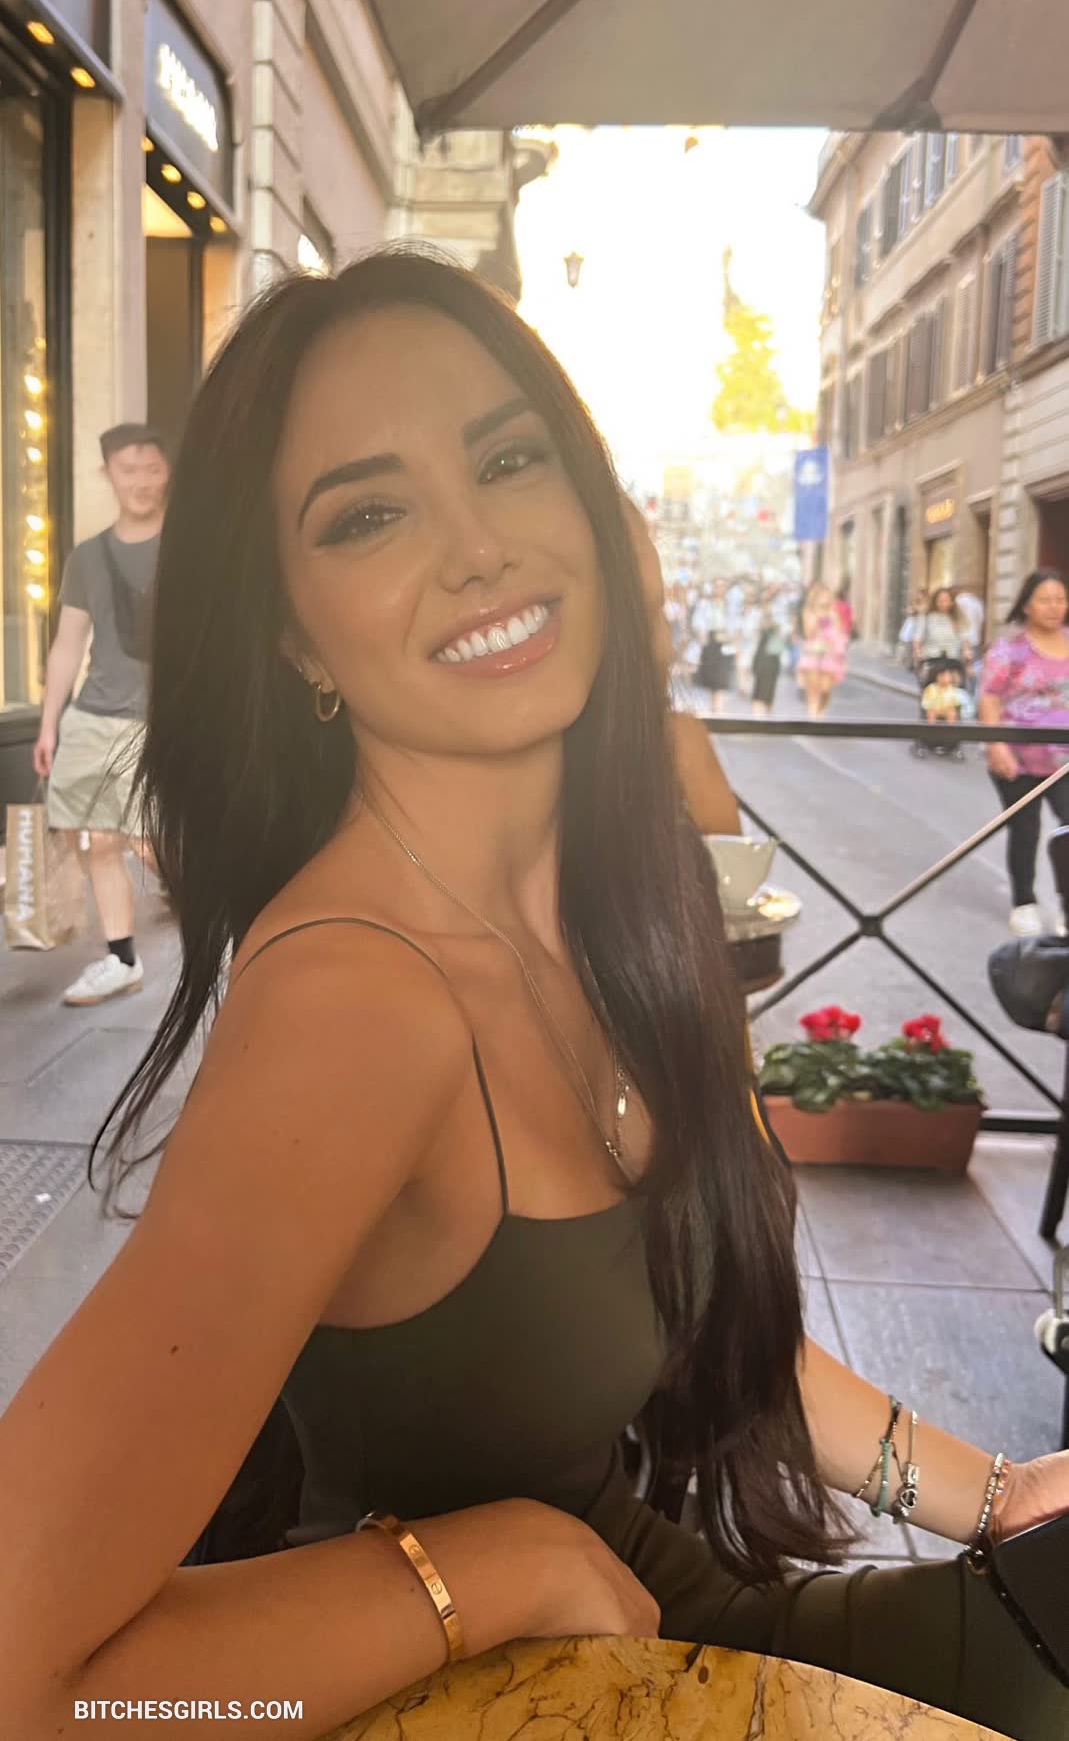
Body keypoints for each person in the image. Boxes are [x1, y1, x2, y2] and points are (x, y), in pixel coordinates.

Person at [1, 254, 1065, 1741]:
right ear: (294, 634)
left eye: (507, 461)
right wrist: (484, 1573)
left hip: (663, 1634)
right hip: (485, 1684)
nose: (479, 546)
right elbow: (29, 1675)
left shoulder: (622, 904)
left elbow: (703, 1318)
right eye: (369, 515)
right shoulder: (354, 1007)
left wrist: (996, 1493)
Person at [32, 423, 169, 1006]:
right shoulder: (88, 557)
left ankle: (199, 895)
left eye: (152, 468)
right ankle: (122, 959)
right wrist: (48, 724)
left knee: (148, 837)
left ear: (168, 472)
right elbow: (68, 644)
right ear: (108, 474)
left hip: (160, 719)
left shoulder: (190, 549)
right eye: (128, 469)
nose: (141, 481)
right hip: (93, 716)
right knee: (98, 840)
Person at [623, 498, 741, 836]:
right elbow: (729, 860)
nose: (666, 644)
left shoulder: (679, 743)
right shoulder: (677, 743)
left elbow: (727, 858)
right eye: (647, 614)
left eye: (657, 611)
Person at [981, 569, 1069, 938]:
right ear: (1027, 605)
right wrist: (995, 744)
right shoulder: (1010, 650)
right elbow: (989, 696)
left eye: (1060, 599)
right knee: (1025, 829)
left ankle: (1068, 908)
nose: (1054, 607)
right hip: (1018, 759)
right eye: (1045, 600)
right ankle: (1024, 903)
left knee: (1068, 828)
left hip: (1065, 763)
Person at [796, 580, 849, 719]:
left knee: (826, 689)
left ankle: (821, 712)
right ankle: (813, 717)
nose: (825, 600)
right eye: (822, 597)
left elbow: (840, 632)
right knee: (813, 691)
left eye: (828, 597)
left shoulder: (834, 612)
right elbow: (809, 633)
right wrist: (819, 616)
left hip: (830, 655)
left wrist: (832, 616)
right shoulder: (809, 611)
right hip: (813, 654)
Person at [914, 586, 971, 672]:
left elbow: (965, 638)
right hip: (931, 659)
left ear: (952, 602)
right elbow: (918, 637)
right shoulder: (926, 617)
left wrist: (967, 652)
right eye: (940, 600)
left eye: (946, 600)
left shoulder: (957, 619)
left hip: (952, 660)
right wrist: (918, 653)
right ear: (935, 601)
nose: (943, 603)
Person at [751, 607, 786, 718]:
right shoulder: (767, 631)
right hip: (765, 664)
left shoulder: (774, 631)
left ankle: (764, 717)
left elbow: (778, 648)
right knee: (762, 694)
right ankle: (762, 717)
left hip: (768, 665)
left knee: (765, 694)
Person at [922, 664, 969, 729]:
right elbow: (926, 703)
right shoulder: (931, 688)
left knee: (952, 712)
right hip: (935, 708)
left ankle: (951, 729)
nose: (944, 678)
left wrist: (952, 707)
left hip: (947, 709)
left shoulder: (952, 689)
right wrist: (932, 707)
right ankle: (931, 729)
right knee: (931, 712)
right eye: (942, 675)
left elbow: (955, 702)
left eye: (947, 675)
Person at [898, 587, 929, 671]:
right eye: (918, 594)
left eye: (921, 595)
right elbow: (909, 611)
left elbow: (921, 610)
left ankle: (916, 664)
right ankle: (909, 663)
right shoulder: (915, 603)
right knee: (909, 645)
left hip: (921, 626)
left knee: (918, 645)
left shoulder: (926, 604)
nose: (919, 596)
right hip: (912, 626)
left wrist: (915, 608)